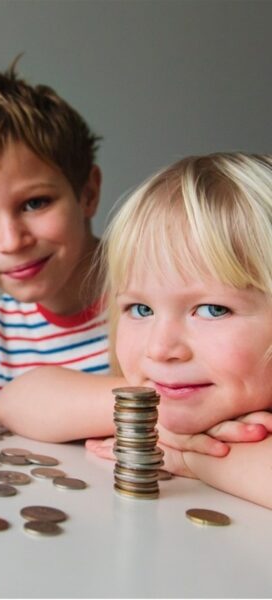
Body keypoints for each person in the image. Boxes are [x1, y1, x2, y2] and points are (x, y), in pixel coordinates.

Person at [0, 60, 267, 450]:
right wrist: (157, 411)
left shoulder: (162, 291)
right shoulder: (7, 323)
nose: (11, 240)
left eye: (35, 203)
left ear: (87, 194)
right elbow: (3, 415)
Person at [86, 152, 272, 509]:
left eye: (212, 310)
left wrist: (191, 458)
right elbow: (19, 400)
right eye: (140, 309)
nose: (160, 348)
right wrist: (139, 415)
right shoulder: (151, 396)